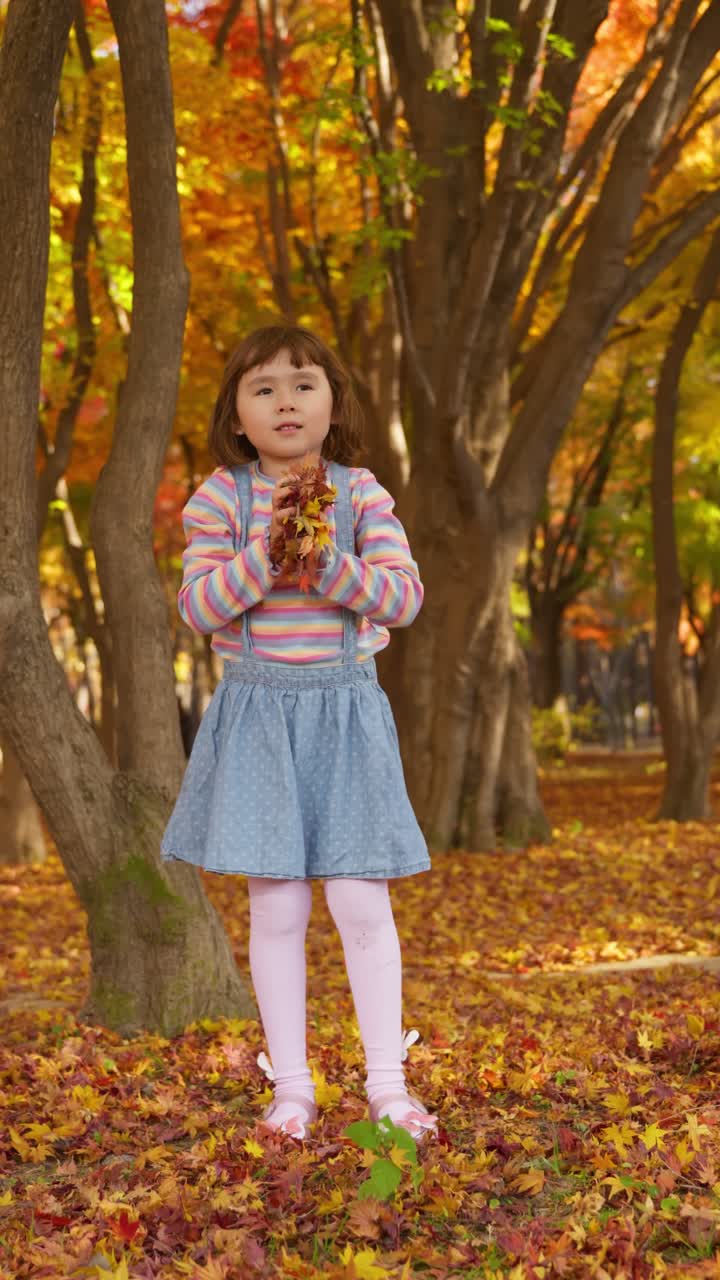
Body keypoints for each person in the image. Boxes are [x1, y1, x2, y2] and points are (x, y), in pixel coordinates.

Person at [161, 323, 438, 1144]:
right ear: (237, 417)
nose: (286, 400)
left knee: (360, 898)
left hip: (347, 712)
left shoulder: (361, 494)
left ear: (333, 403)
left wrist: (327, 569)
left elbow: (403, 599)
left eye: (303, 384)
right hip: (257, 715)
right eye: (264, 388)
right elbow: (199, 607)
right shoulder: (221, 496)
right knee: (276, 905)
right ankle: (293, 1088)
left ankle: (388, 1083)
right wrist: (268, 560)